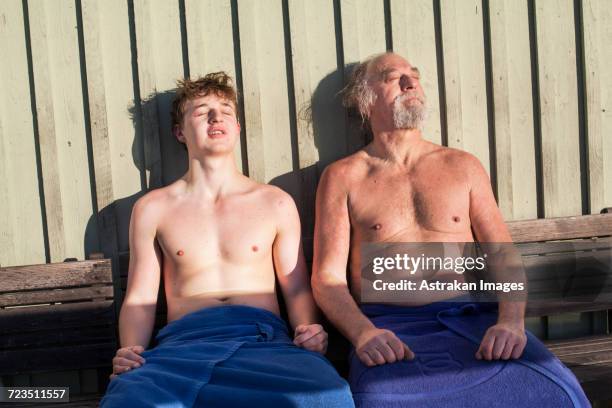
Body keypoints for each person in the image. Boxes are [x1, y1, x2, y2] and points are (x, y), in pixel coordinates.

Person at [311, 52, 590, 407]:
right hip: (391, 333)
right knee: (381, 401)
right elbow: (327, 279)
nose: (410, 82)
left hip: (473, 321)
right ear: (364, 101)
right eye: (392, 77)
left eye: (414, 75)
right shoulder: (343, 177)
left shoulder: (462, 165)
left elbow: (502, 255)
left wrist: (510, 322)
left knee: (556, 395)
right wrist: (363, 333)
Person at [101, 72, 354, 407]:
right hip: (184, 345)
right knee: (130, 400)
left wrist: (308, 330)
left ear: (237, 128)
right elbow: (140, 296)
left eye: (224, 110)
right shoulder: (153, 208)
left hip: (265, 342)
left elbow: (295, 288)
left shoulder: (274, 202)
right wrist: (130, 351)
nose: (215, 116)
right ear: (180, 132)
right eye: (201, 110)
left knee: (327, 395)